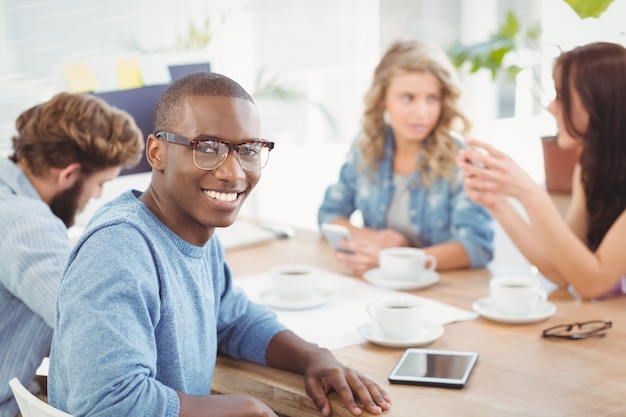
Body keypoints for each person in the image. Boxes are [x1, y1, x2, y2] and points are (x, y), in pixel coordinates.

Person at [48, 72, 391, 417]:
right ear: (156, 152)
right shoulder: (118, 249)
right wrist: (245, 408)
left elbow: (233, 320)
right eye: (207, 148)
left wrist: (314, 356)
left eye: (249, 149)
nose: (234, 172)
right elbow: (107, 403)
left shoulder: (195, 230)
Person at [0, 92, 144, 417]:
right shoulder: (29, 224)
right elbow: (89, 326)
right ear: (67, 174)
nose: (97, 196)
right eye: (99, 183)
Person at [457, 42, 626, 300]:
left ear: (600, 100)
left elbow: (593, 283)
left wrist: (531, 194)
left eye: (561, 95)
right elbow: (561, 270)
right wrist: (496, 202)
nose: (550, 107)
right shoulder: (590, 168)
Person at [318, 39, 494, 276]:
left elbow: (476, 247)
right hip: (377, 283)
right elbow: (329, 215)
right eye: (408, 98)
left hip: (442, 289)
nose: (422, 113)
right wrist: (375, 238)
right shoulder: (366, 147)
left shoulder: (462, 159)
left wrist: (393, 260)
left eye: (432, 98)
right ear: (383, 98)